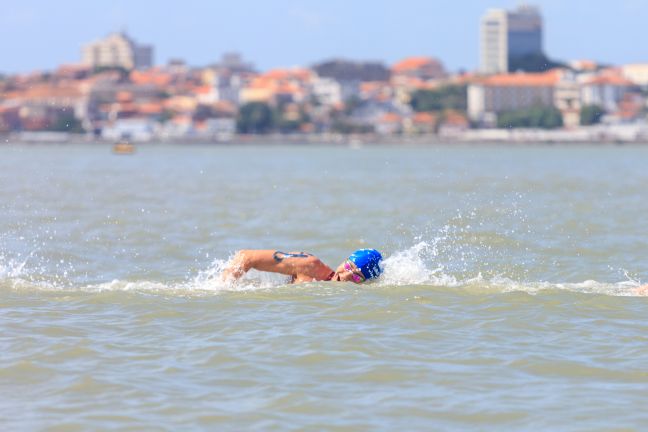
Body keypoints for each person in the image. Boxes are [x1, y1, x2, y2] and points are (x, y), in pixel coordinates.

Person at [222, 248, 383, 284]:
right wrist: (222, 287)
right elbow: (246, 256)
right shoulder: (310, 266)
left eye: (356, 277)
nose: (347, 276)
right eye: (348, 267)